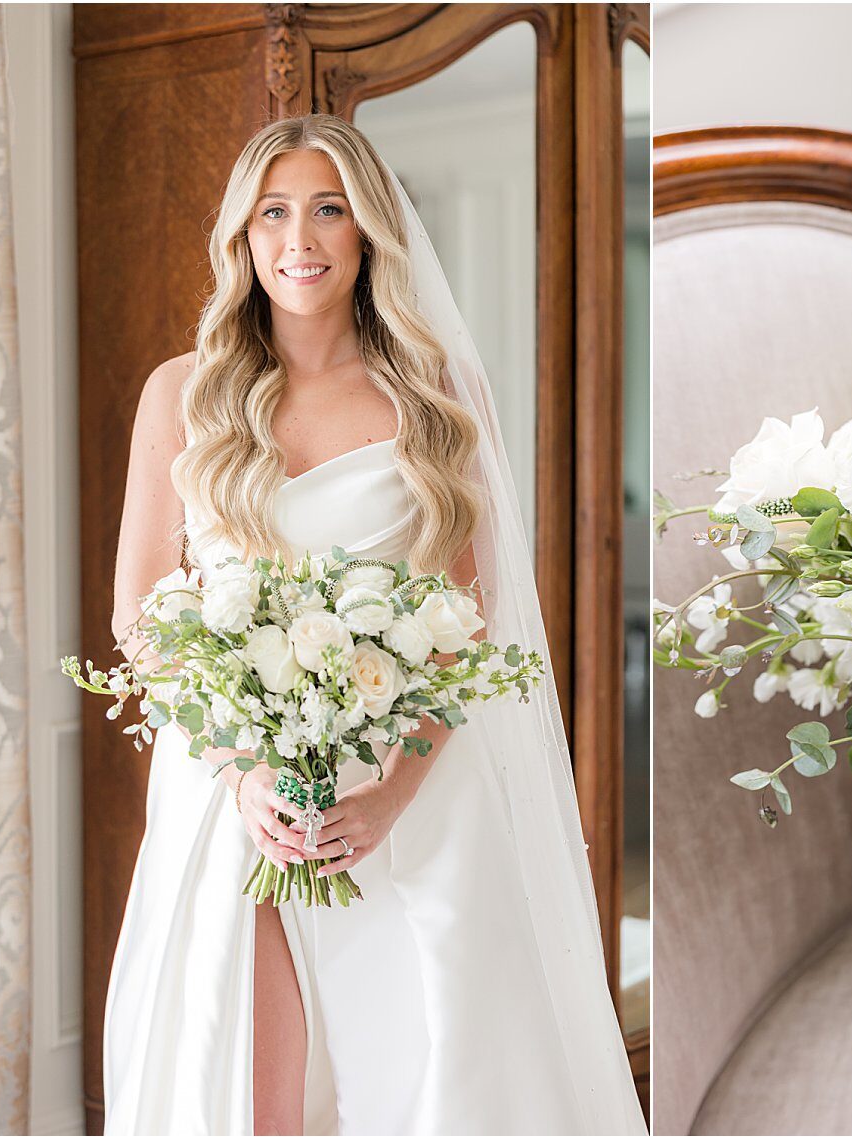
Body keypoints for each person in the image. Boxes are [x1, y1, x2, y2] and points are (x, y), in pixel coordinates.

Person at [104, 113, 645, 1136]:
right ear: (242, 236)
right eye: (272, 213)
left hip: (406, 788)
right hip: (232, 792)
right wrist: (240, 769)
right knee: (245, 1086)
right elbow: (142, 612)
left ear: (366, 236)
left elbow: (467, 620)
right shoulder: (182, 395)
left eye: (326, 210)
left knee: (408, 1078)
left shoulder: (434, 398)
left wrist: (391, 794)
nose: (297, 240)